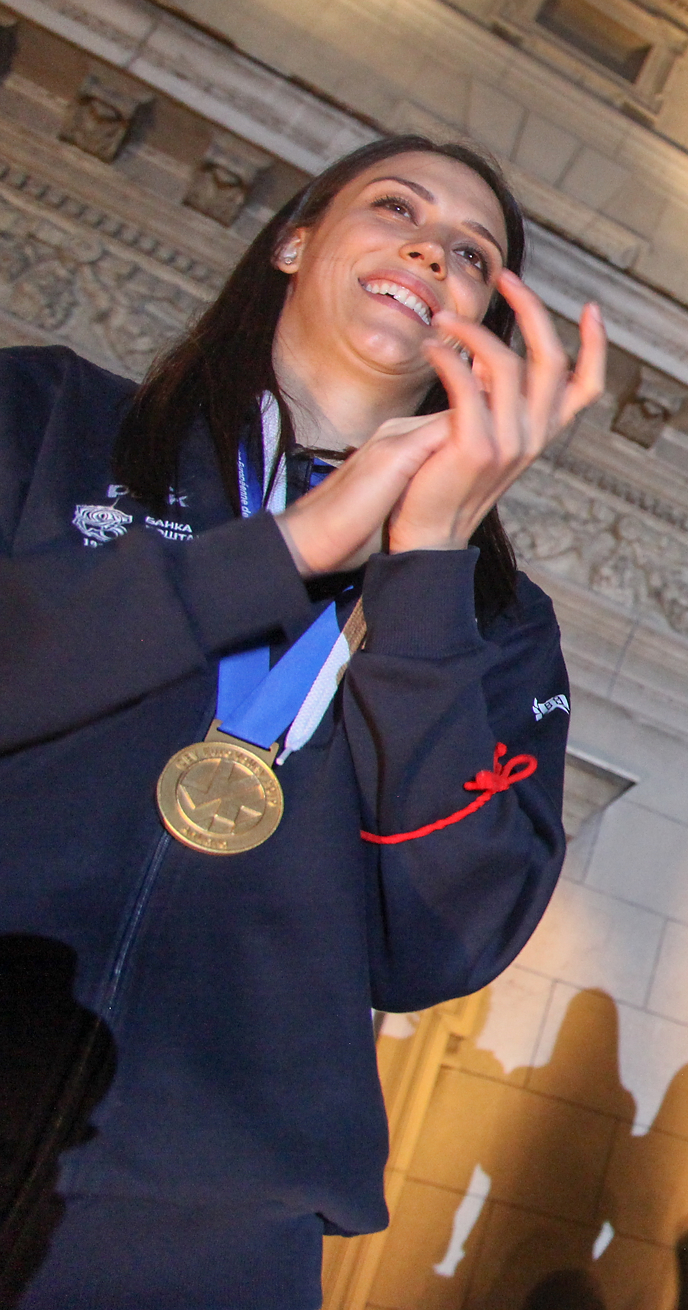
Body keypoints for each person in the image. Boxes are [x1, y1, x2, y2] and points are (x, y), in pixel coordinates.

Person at [0, 135, 607, 1307]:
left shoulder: (497, 619)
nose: (434, 249)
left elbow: (443, 942)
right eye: (396, 209)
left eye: (474, 256)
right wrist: (288, 550)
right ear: (294, 241)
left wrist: (423, 571)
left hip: (214, 1228)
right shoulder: (47, 417)